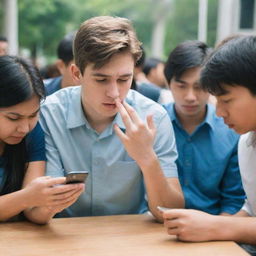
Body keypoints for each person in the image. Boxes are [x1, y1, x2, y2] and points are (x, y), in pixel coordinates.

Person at [39, 16, 184, 221]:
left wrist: (147, 159)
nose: (114, 92)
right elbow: (41, 208)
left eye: (124, 79)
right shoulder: (49, 114)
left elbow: (169, 212)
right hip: (65, 235)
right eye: (101, 79)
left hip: (130, 236)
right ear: (76, 73)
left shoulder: (154, 117)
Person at [160, 36, 256, 255]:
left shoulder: (233, 137)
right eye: (217, 101)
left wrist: (213, 226)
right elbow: (251, 210)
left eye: (227, 100)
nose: (220, 112)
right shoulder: (246, 142)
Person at [163, 40, 245, 215]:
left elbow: (233, 200)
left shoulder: (233, 129)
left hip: (213, 228)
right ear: (168, 83)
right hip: (154, 224)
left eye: (199, 87)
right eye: (181, 86)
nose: (190, 97)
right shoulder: (152, 124)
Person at [0, 55, 84, 224]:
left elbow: (32, 212)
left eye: (33, 115)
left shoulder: (34, 132)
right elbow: (27, 198)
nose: (24, 128)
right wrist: (26, 197)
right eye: (13, 118)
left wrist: (52, 203)